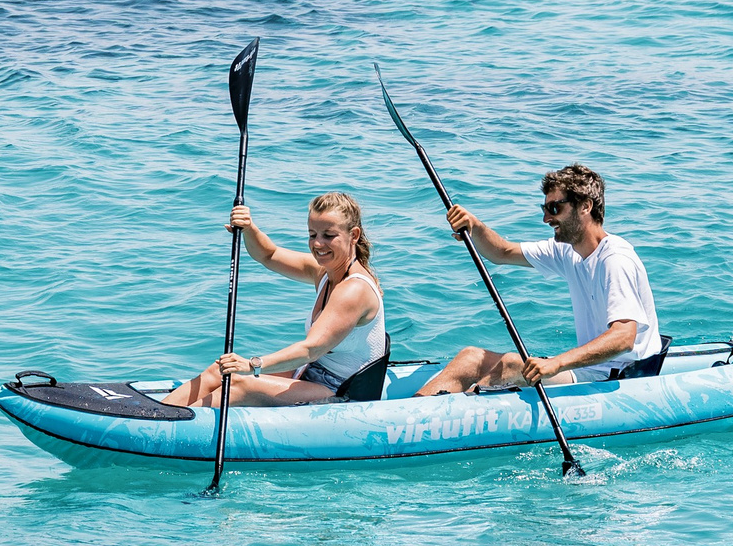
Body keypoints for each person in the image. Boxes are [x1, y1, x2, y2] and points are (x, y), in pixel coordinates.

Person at [412, 163, 661, 396]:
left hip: (619, 376)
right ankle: (415, 411)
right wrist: (474, 226)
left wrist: (557, 363)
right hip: (587, 369)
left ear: (585, 206)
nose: (546, 219)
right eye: (545, 209)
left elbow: (624, 337)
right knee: (470, 357)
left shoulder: (615, 260)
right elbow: (502, 252)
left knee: (511, 364)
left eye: (555, 208)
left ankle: (454, 416)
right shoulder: (568, 251)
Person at [163, 192, 391, 407]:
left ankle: (174, 425)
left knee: (240, 383)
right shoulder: (324, 271)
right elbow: (269, 255)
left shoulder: (354, 290)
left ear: (354, 235)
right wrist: (249, 228)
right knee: (220, 372)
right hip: (310, 371)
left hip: (340, 390)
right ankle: (160, 413)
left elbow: (310, 350)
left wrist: (253, 365)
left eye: (328, 236)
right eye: (312, 234)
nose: (317, 244)